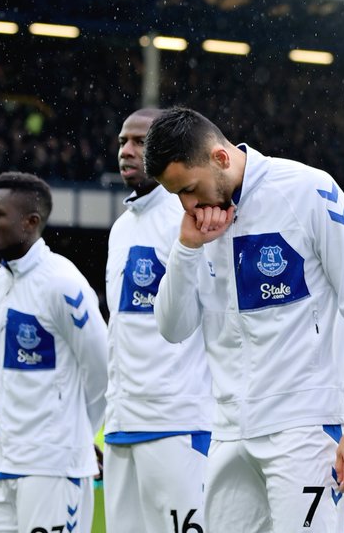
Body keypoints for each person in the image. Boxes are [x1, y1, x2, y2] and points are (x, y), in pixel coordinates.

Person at [144, 107, 344, 532]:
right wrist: (186, 249)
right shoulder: (195, 222)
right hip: (228, 432)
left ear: (220, 159)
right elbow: (172, 327)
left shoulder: (308, 191)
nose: (186, 203)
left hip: (305, 428)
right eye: (175, 195)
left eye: (188, 188)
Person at [0, 172, 109, 533]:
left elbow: (102, 370)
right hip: (1, 464)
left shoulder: (62, 283)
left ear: (30, 223)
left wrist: (77, 436)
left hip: (53, 469)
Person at [102, 109, 213, 533]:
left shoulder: (190, 219)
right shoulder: (120, 229)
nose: (127, 152)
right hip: (122, 424)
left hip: (178, 422)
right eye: (122, 142)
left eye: (139, 142)